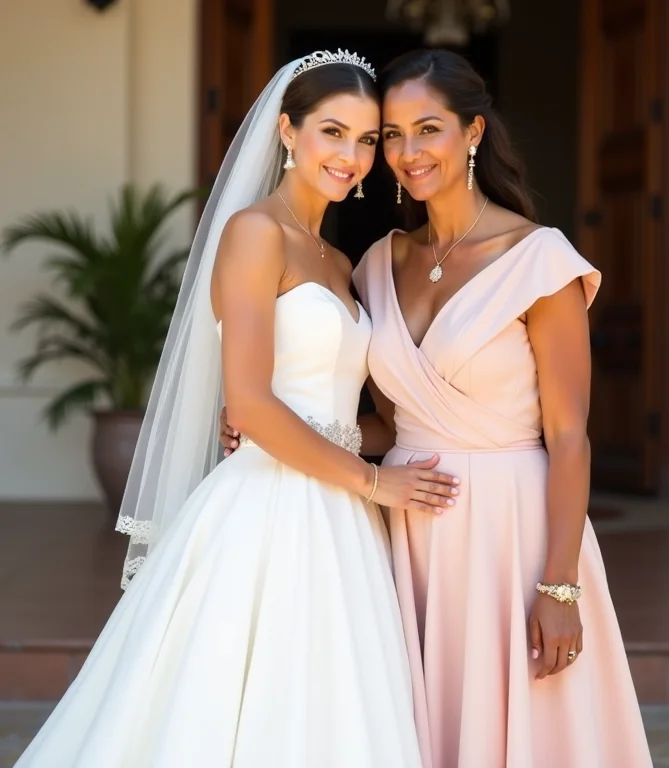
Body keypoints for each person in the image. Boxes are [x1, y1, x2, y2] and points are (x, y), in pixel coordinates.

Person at [15, 51, 464, 768]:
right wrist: (376, 481)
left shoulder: (340, 264)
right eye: (332, 132)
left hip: (342, 522)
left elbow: (357, 418)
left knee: (332, 706)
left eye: (368, 139)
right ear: (287, 132)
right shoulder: (255, 234)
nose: (352, 156)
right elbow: (251, 403)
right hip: (269, 509)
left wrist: (433, 435)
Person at [220, 48, 653, 768]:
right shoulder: (377, 262)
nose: (407, 152)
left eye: (429, 129)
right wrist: (266, 420)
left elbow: (571, 438)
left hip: (511, 534)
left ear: (473, 133)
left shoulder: (540, 259)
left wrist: (561, 585)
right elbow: (385, 424)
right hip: (403, 533)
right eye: (390, 135)